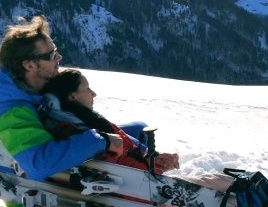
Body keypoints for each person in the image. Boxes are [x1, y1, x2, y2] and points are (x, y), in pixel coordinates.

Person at [0, 16, 121, 181]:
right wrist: (100, 140)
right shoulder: (12, 113)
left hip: (58, 183)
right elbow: (38, 164)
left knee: (137, 129)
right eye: (51, 55)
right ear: (29, 65)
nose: (59, 58)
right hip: (36, 198)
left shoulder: (32, 92)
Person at [45, 67, 180, 171]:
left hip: (130, 155)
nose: (94, 93)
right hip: (133, 172)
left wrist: (153, 157)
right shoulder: (86, 134)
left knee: (140, 127)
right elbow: (127, 170)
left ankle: (146, 150)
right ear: (72, 96)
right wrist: (156, 166)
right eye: (87, 89)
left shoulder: (80, 118)